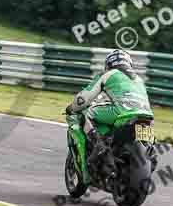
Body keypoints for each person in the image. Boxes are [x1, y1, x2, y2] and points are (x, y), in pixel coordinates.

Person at [65, 49, 152, 185]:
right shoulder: (139, 79)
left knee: (86, 113)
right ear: (129, 63)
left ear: (108, 64)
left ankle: (98, 142)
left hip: (122, 111)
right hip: (146, 115)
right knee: (150, 148)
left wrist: (72, 108)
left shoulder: (108, 74)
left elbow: (84, 99)